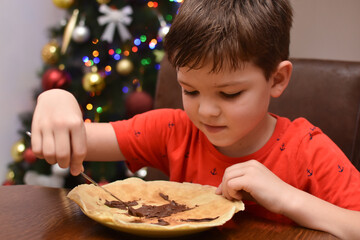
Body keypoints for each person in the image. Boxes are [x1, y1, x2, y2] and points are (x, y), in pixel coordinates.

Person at [31, 0, 360, 238]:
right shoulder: (174, 130)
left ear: (276, 80)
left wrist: (286, 197)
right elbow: (76, 141)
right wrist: (56, 100)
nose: (206, 112)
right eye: (190, 91)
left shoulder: (308, 150)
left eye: (230, 94)